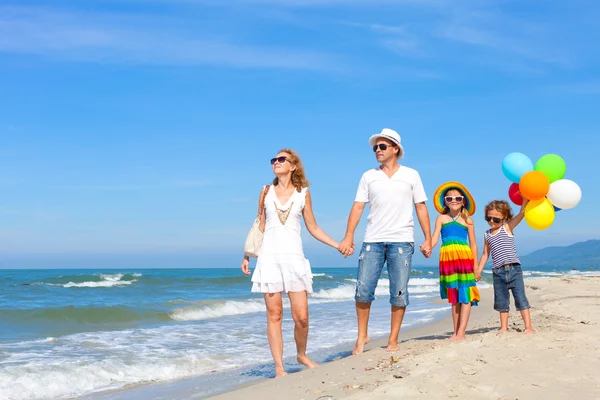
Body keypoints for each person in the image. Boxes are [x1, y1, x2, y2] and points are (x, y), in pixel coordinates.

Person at [240, 148, 343, 378]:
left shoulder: (303, 193)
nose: (276, 163)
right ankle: (279, 367)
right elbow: (260, 224)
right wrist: (247, 255)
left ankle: (301, 355)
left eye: (281, 159)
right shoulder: (265, 191)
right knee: (274, 315)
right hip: (269, 259)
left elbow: (313, 227)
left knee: (302, 317)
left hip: (294, 259)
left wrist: (337, 245)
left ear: (293, 165)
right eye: (273, 160)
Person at [338, 128, 432, 355]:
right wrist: (349, 236)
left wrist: (428, 238)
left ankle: (393, 339)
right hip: (372, 241)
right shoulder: (368, 176)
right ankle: (362, 336)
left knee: (399, 292)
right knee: (362, 291)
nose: (377, 151)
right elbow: (358, 206)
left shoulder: (411, 175)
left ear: (395, 149)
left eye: (382, 146)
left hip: (402, 241)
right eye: (375, 148)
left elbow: (420, 206)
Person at [475, 198, 535, 334]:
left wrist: (524, 199)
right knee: (502, 301)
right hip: (497, 272)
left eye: (496, 219)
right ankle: (503, 327)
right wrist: (478, 270)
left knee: (520, 298)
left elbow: (522, 214)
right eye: (488, 218)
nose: (491, 221)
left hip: (514, 269)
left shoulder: (507, 227)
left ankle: (528, 326)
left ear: (505, 218)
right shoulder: (487, 234)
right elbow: (485, 254)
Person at [430, 182, 480, 341]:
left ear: (463, 201)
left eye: (458, 198)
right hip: (448, 260)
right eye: (449, 198)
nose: (454, 200)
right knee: (454, 297)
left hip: (465, 259)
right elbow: (434, 238)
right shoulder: (441, 218)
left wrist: (476, 266)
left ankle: (461, 332)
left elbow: (473, 244)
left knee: (465, 295)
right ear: (444, 201)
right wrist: (428, 247)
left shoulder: (468, 220)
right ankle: (455, 332)